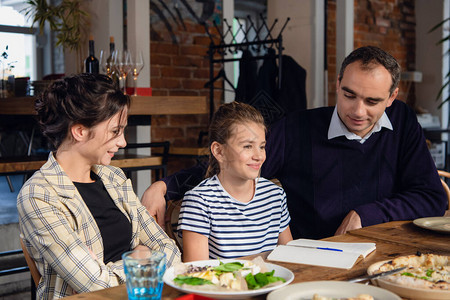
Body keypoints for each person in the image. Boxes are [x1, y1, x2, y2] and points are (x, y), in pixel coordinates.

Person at [142, 46, 447, 240]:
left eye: (372, 101)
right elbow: (234, 164)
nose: (358, 110)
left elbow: (432, 197)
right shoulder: (298, 128)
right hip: (312, 258)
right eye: (349, 95)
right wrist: (166, 186)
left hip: (384, 249)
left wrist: (366, 214)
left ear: (392, 98)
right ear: (337, 83)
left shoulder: (403, 121)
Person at [17, 73, 181, 299]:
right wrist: (140, 258)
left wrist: (135, 262)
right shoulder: (39, 195)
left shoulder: (114, 177)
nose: (123, 142)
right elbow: (96, 285)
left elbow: (170, 251)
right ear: (80, 131)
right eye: (115, 131)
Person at [178, 102, 292, 261]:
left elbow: (290, 260)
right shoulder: (199, 202)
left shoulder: (275, 195)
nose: (259, 156)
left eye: (262, 146)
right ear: (219, 151)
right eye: (247, 146)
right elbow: (197, 276)